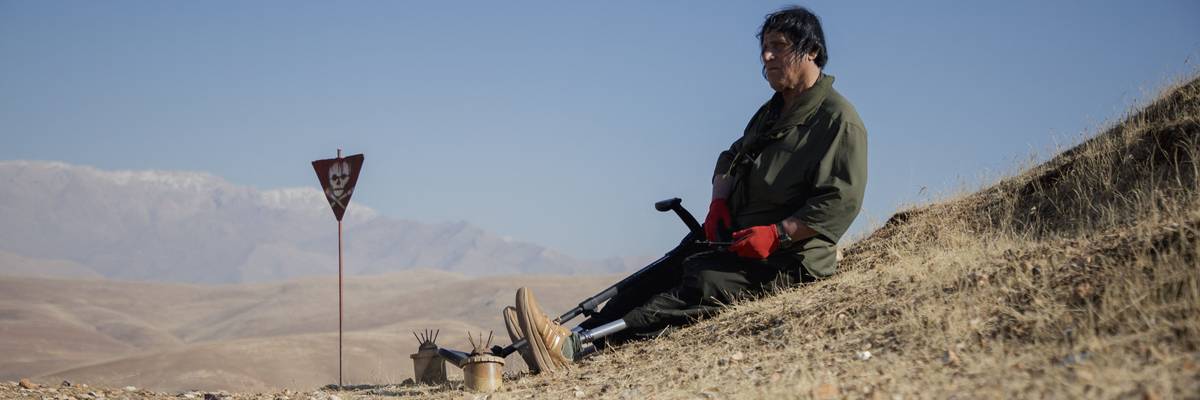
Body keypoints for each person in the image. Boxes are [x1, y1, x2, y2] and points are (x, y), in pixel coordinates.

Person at [504, 5, 868, 373]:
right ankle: (570, 339)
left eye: (779, 46)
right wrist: (719, 203)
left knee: (702, 282)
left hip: (787, 259)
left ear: (811, 51)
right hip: (736, 238)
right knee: (661, 272)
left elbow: (840, 201)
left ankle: (577, 346)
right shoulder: (772, 112)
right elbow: (731, 155)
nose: (767, 56)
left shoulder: (838, 121)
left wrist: (778, 235)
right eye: (764, 48)